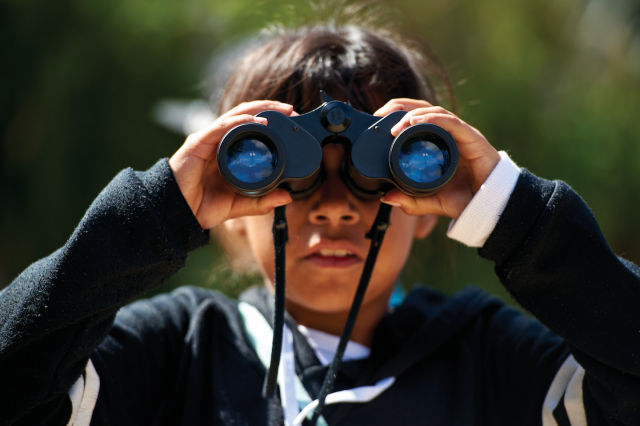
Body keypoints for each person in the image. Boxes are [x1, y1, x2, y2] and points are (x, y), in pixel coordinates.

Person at [1, 22, 639, 426]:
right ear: (230, 214)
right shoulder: (175, 351)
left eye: (375, 177)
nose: (336, 208)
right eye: (289, 177)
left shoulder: (494, 360)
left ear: (429, 213)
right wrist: (154, 211)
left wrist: (512, 210)